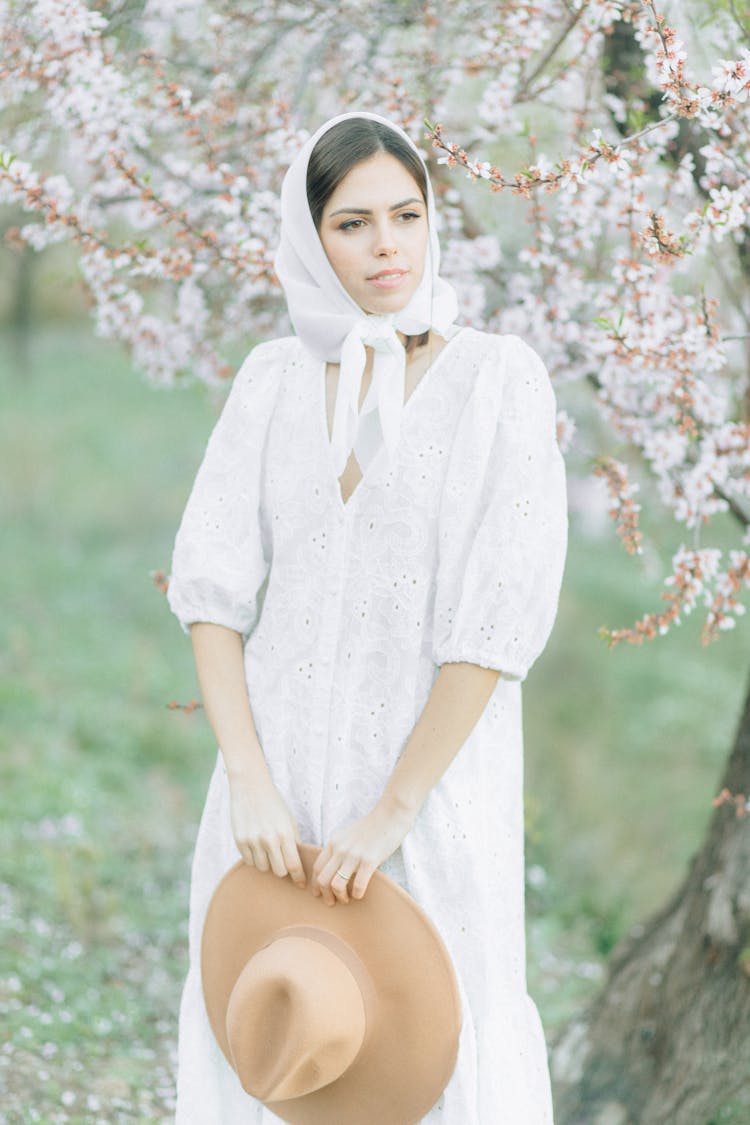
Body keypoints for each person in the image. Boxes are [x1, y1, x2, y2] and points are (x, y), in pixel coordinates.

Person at [167, 110, 568, 1123]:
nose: (387, 244)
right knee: (285, 1045)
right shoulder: (271, 380)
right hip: (272, 802)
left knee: (429, 1052)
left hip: (426, 798)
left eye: (407, 214)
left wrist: (393, 811)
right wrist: (251, 786)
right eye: (352, 223)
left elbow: (494, 626)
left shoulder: (497, 382)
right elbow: (210, 592)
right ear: (310, 238)